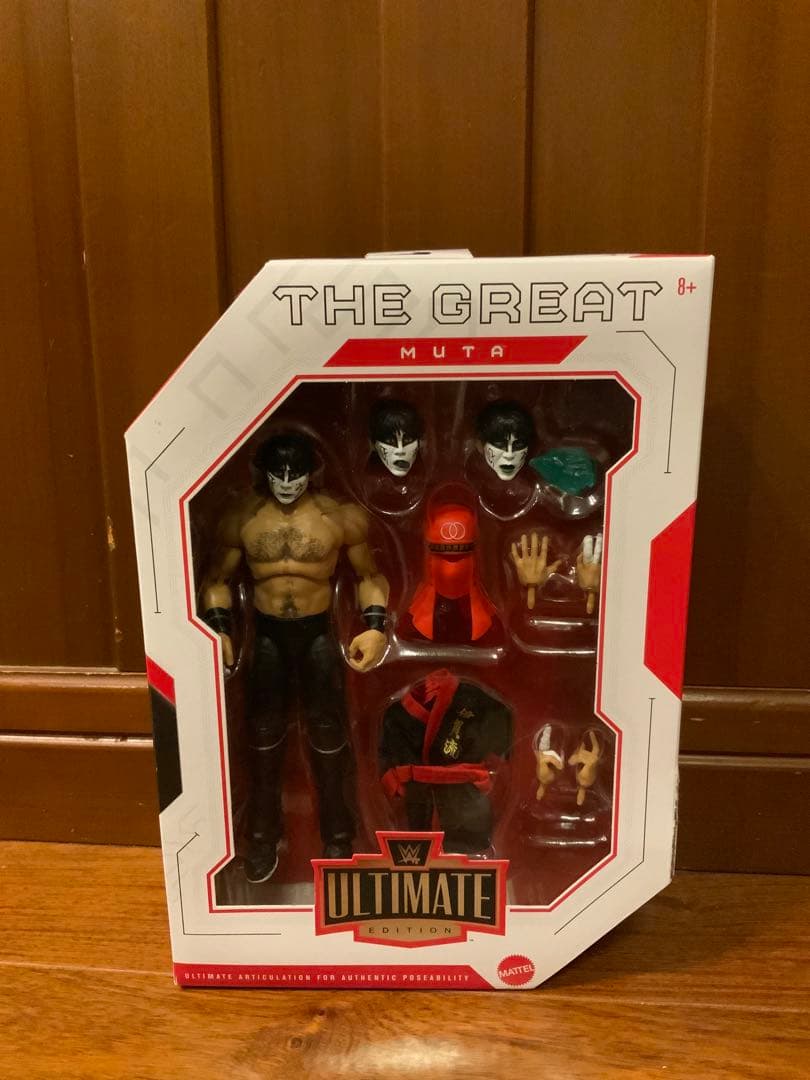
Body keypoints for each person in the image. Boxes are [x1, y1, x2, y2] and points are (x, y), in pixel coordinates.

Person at [200, 431, 389, 883]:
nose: (286, 482)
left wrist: (375, 627)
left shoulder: (338, 517)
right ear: (264, 473)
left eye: (295, 473)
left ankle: (339, 837)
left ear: (311, 473)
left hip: (317, 633)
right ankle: (261, 839)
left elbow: (370, 576)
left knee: (329, 737)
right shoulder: (243, 516)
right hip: (265, 636)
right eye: (278, 474)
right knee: (262, 741)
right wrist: (220, 631)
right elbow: (216, 581)